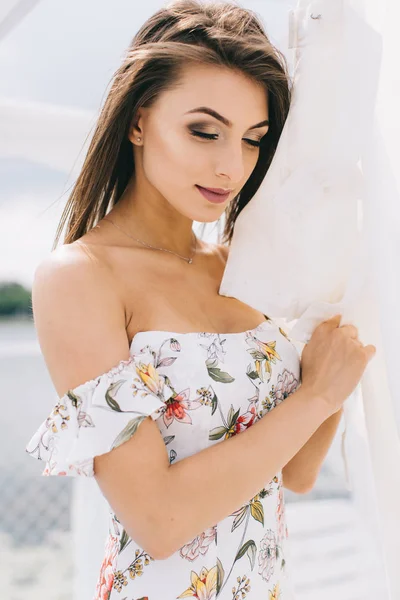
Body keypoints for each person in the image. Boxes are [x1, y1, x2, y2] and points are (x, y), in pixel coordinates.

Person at [25, 1, 376, 599]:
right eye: (204, 131)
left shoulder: (243, 268)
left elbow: (297, 472)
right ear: (138, 121)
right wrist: (315, 393)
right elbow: (156, 520)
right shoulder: (81, 277)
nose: (230, 165)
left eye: (252, 140)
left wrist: (331, 356)